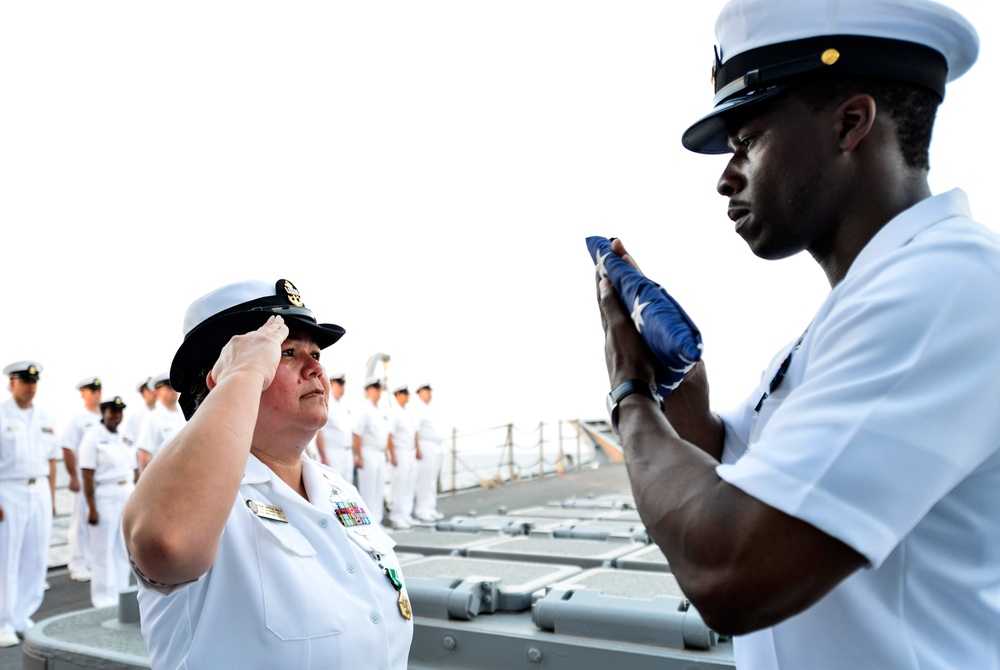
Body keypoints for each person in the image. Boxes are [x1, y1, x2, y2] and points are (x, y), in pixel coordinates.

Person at [594, 1, 999, 668]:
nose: (726, 178)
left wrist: (630, 393)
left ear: (850, 124)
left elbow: (730, 569)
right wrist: (674, 382)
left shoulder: (946, 289)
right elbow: (727, 464)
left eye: (746, 142)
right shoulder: (861, 310)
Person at [122, 279, 412, 669]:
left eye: (316, 352)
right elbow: (166, 544)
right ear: (224, 377)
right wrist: (242, 376)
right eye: (287, 352)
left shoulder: (339, 490)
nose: (315, 368)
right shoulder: (201, 501)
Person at [0, 361, 59, 648]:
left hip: (39, 493)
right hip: (8, 490)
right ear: (12, 383)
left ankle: (23, 614)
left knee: (35, 557)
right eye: (24, 381)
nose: (31, 385)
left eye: (34, 381)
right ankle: (3, 622)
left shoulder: (45, 416)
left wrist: (50, 497)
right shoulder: (1, 415)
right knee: (5, 559)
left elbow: (51, 459)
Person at [79, 394, 138, 608]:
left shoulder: (124, 438)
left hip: (126, 493)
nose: (117, 416)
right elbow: (87, 475)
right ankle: (103, 599)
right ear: (103, 413)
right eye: (112, 411)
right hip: (105, 496)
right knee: (102, 550)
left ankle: (120, 594)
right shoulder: (92, 437)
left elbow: (134, 471)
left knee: (123, 549)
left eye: (120, 412)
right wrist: (91, 508)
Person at [59, 376, 103, 582]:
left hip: (101, 482)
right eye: (91, 390)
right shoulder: (78, 420)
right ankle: (77, 563)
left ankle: (94, 562)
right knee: (80, 523)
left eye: (98, 390)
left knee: (98, 523)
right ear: (83, 394)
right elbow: (67, 447)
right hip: (84, 479)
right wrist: (73, 477)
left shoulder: (105, 417)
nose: (96, 393)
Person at [353, 378, 392, 527]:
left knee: (378, 488)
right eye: (375, 389)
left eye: (379, 389)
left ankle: (378, 520)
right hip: (367, 453)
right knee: (368, 489)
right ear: (368, 391)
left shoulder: (379, 411)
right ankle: (370, 523)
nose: (378, 392)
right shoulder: (364, 411)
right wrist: (359, 456)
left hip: (380, 454)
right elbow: (357, 434)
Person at [135, 372, 186, 472]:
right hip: (164, 475)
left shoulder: (185, 415)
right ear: (157, 392)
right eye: (168, 388)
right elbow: (144, 454)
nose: (173, 391)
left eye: (174, 387)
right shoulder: (152, 418)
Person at [386, 385, 420, 530]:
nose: (407, 396)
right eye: (405, 394)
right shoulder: (393, 413)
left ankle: (406, 515)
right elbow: (389, 435)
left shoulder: (407, 413)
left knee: (409, 484)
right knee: (399, 485)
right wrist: (392, 455)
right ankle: (397, 517)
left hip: (409, 452)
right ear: (397, 395)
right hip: (399, 452)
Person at [411, 383, 444, 522]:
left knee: (431, 480)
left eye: (429, 391)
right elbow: (415, 430)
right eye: (426, 391)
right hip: (424, 446)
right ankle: (422, 511)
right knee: (424, 480)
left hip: (434, 446)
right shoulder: (418, 409)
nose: (429, 394)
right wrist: (417, 448)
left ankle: (430, 508)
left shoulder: (428, 409)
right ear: (419, 393)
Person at [315, 372, 354, 481]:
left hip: (347, 453)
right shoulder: (325, 402)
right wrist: (323, 457)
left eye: (343, 385)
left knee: (348, 487)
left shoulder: (344, 405)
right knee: (334, 487)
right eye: (339, 385)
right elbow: (319, 433)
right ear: (331, 384)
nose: (342, 388)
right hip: (332, 454)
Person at [122, 377, 156, 447]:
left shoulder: (166, 413)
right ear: (142, 394)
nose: (153, 392)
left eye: (154, 389)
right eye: (149, 390)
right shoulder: (136, 417)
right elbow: (128, 442)